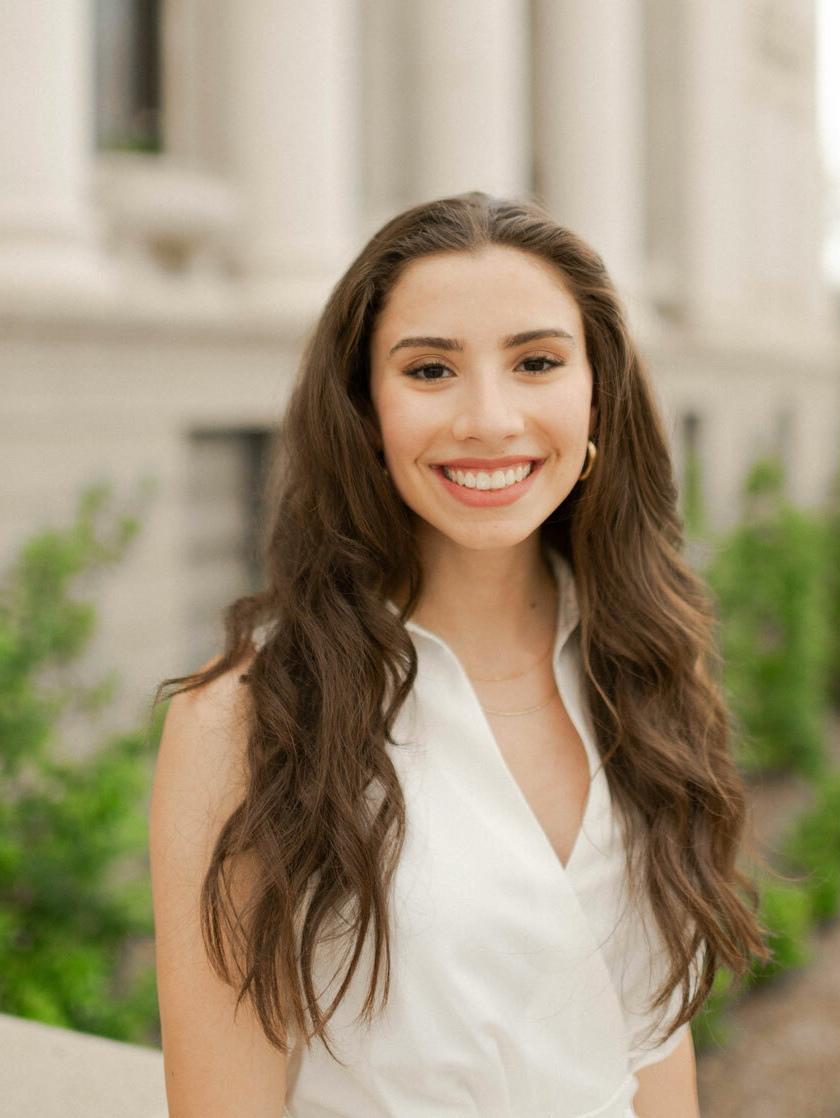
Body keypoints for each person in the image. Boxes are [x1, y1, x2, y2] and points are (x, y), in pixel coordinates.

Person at [149, 192, 770, 1118]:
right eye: (431, 369)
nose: (489, 418)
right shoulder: (243, 720)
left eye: (537, 362)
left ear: (596, 393)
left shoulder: (643, 664)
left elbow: (647, 1043)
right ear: (365, 409)